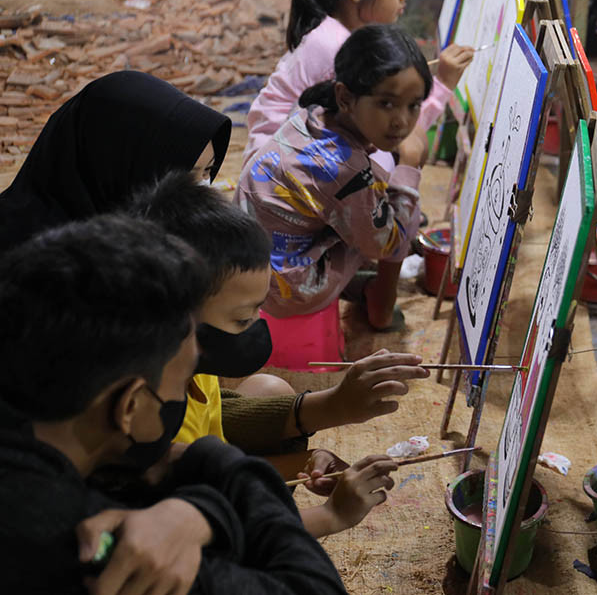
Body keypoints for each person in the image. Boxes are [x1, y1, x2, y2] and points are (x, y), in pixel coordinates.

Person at [0, 215, 353, 594]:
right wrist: (222, 477)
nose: (191, 394)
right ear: (130, 406)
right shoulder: (115, 551)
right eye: (184, 381)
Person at [127, 171, 428, 496]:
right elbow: (212, 511)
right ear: (178, 319)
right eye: (243, 318)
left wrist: (309, 455)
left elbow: (218, 445)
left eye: (260, 309)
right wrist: (332, 516)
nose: (258, 325)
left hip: (205, 481)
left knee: (268, 388)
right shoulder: (151, 421)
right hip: (192, 512)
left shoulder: (192, 368)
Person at [237, 25, 430, 329]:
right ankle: (381, 302)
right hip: (283, 290)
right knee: (399, 213)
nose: (402, 122)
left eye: (414, 105)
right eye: (386, 103)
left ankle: (354, 281)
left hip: (250, 259)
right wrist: (409, 167)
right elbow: (383, 245)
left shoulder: (312, 112)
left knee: (372, 202)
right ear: (345, 97)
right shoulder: (345, 169)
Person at [244, 0, 473, 167]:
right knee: (402, 152)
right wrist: (443, 84)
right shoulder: (336, 47)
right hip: (274, 171)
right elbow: (391, 128)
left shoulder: (337, 33)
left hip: (282, 159)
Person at [0, 70, 229, 254]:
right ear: (120, 167)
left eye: (207, 171)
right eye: (188, 174)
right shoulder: (35, 264)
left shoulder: (155, 240)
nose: (203, 188)